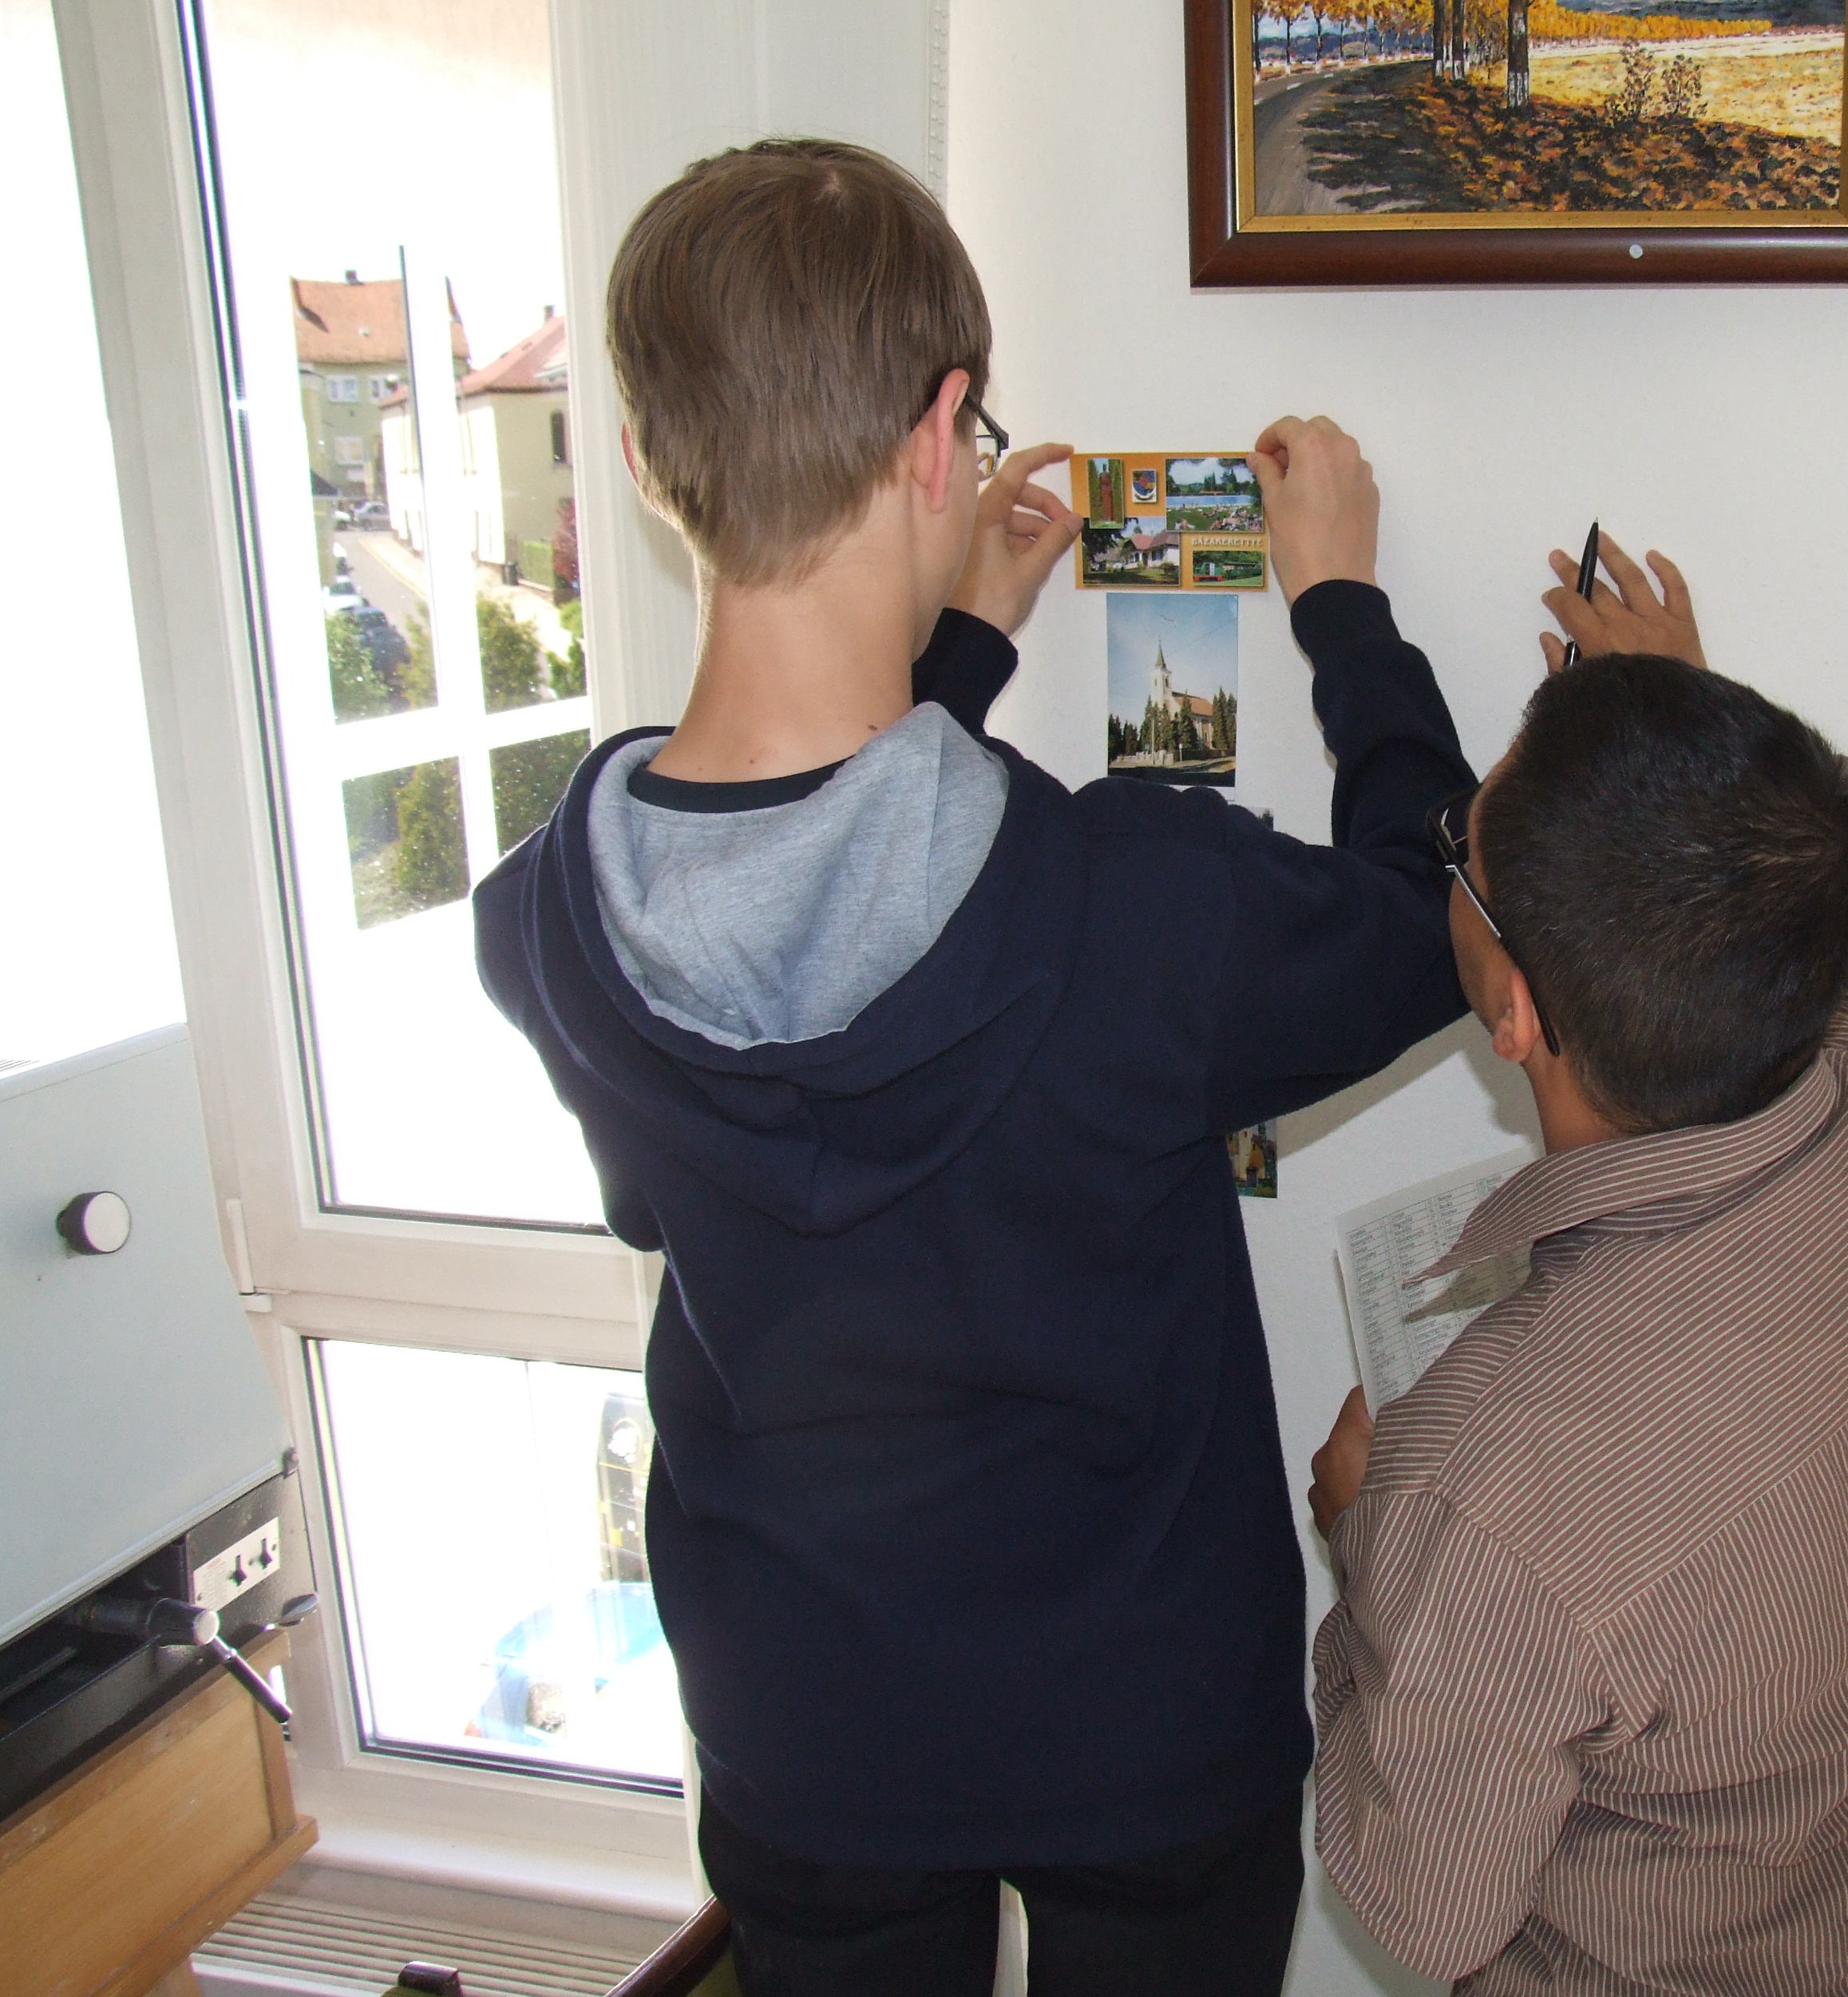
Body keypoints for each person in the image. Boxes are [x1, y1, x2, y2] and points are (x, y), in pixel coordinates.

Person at [473, 139, 1475, 1997]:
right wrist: (1339, 602)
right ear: (941, 434)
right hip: (1142, 1728)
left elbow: (794, 961)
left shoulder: (538, 924)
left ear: (641, 459)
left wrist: (955, 648)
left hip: (808, 1728)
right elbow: (1436, 919)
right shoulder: (1142, 908)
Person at [1304, 545, 1848, 1995]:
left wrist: (1362, 1548)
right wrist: (1700, 755)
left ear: (1517, 1012)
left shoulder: (1485, 1488)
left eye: (1461, 851)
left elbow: (1422, 1903)